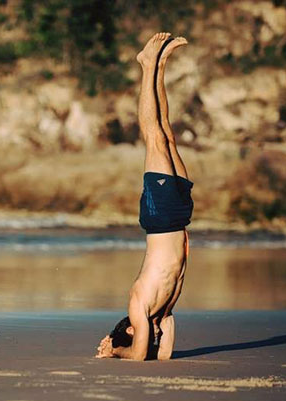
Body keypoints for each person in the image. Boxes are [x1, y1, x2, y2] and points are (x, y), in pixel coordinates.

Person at [96, 33, 193, 361]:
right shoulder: (163, 313)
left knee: (153, 138)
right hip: (178, 217)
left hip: (161, 219)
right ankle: (160, 65)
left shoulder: (139, 303)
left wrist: (115, 350)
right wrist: (151, 335)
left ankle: (147, 64)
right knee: (167, 133)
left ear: (132, 328)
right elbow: (161, 356)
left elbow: (138, 357)